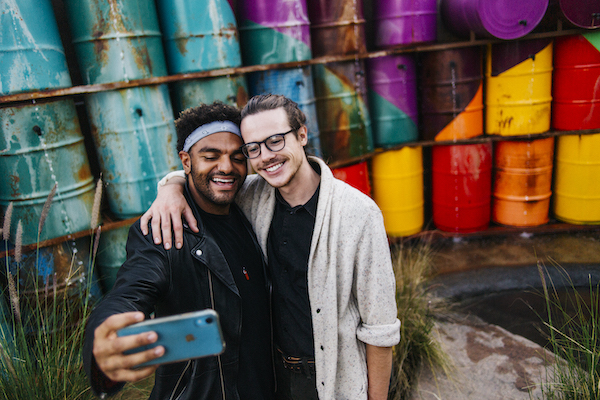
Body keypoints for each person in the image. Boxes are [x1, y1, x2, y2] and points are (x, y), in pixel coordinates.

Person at [142, 94, 400, 400]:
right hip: (269, 379)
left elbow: (380, 330)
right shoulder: (253, 196)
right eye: (253, 148)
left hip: (332, 381)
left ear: (302, 134)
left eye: (275, 141)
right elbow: (206, 179)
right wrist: (171, 187)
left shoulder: (358, 214)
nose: (265, 156)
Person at [83, 102, 274, 400]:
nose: (226, 167)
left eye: (237, 158)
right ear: (186, 161)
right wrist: (105, 337)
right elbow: (130, 291)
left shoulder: (251, 208)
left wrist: (171, 184)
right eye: (210, 156)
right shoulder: (163, 231)